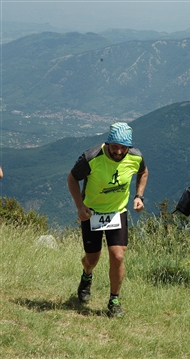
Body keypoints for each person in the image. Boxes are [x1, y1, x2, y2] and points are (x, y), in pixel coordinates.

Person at [67, 122, 148, 317]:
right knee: (92, 258)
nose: (119, 151)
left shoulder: (135, 157)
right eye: (114, 147)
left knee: (118, 256)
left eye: (123, 147)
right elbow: (72, 178)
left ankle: (114, 300)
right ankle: (87, 276)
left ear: (129, 146)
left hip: (117, 212)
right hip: (91, 212)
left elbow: (143, 172)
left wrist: (138, 196)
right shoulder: (91, 157)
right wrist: (80, 206)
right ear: (108, 143)